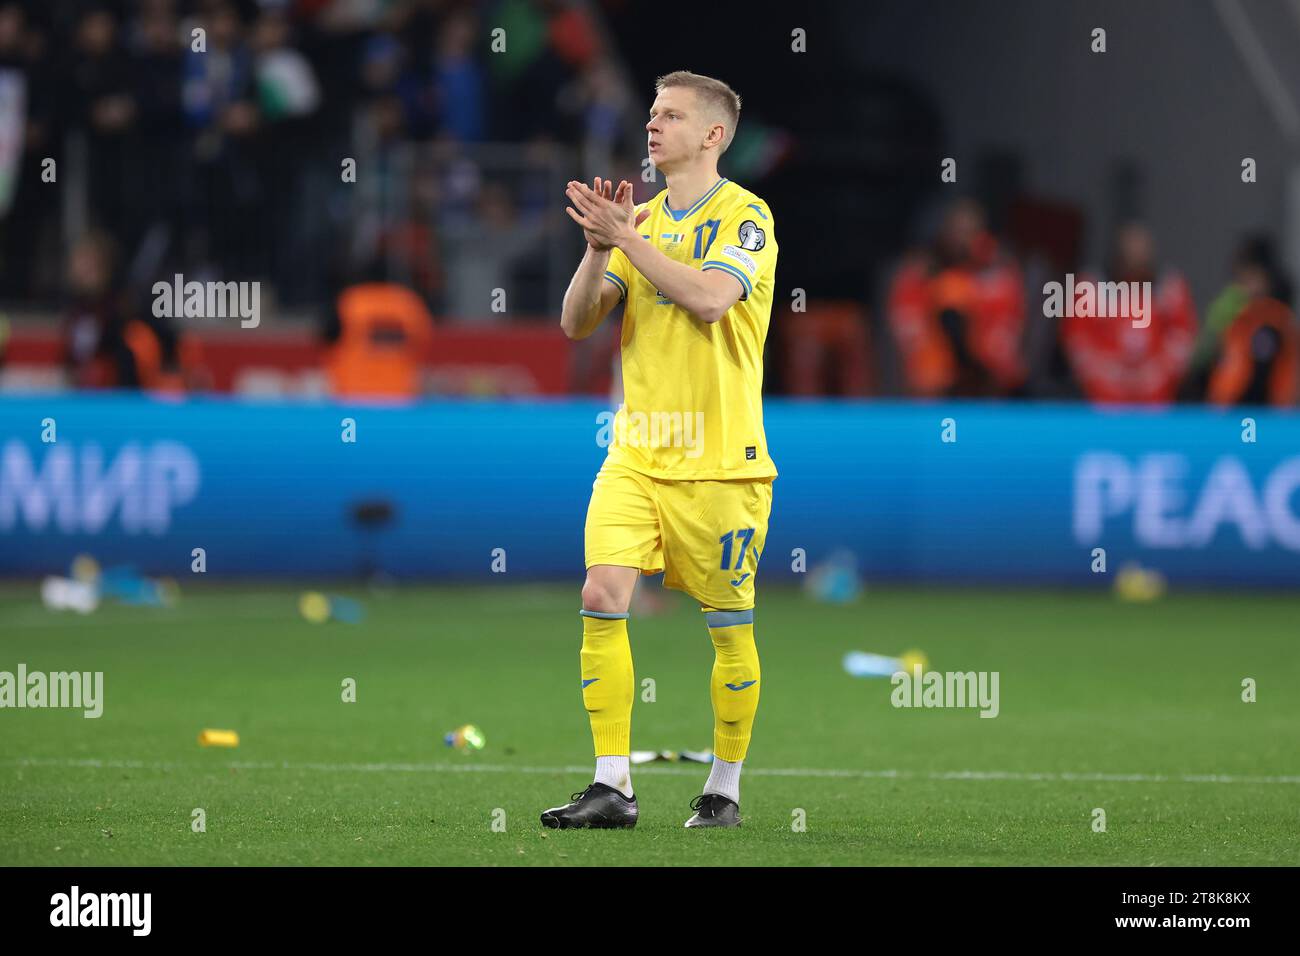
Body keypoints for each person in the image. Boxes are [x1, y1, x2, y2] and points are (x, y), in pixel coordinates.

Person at [543, 70, 778, 829]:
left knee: (728, 629)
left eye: (670, 115)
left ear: (713, 135)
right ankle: (612, 783)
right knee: (601, 595)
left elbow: (711, 299)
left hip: (723, 465)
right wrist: (595, 249)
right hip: (637, 452)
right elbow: (577, 324)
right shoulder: (634, 223)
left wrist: (628, 241)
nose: (652, 126)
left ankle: (724, 785)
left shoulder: (746, 216)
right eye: (651, 113)